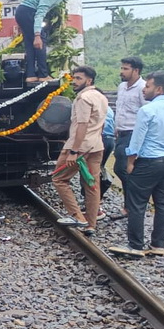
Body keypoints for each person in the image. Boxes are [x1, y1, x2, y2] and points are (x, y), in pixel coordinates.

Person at [109, 71, 164, 258]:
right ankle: (158, 245)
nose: (144, 89)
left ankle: (135, 245)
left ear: (158, 89)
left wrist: (130, 162)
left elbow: (136, 140)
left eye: (148, 86)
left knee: (137, 203)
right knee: (163, 204)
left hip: (149, 162)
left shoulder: (147, 110)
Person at [53, 66, 108, 235]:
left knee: (59, 179)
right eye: (73, 78)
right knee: (92, 184)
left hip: (79, 147)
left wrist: (74, 151)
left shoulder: (83, 98)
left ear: (89, 80)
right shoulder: (101, 97)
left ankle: (78, 216)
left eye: (78, 78)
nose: (74, 82)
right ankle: (91, 224)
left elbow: (82, 125)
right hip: (96, 145)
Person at [15, 0, 79, 83]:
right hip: (28, 11)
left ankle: (31, 75)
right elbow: (39, 15)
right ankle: (43, 75)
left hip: (23, 11)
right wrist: (38, 35)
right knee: (40, 42)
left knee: (30, 44)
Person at [113, 56, 147, 214]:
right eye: (122, 68)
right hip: (121, 133)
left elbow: (146, 114)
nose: (122, 72)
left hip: (133, 134)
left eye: (125, 69)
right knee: (122, 169)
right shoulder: (122, 87)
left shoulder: (143, 88)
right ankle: (132, 203)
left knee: (122, 169)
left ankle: (132, 204)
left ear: (136, 70)